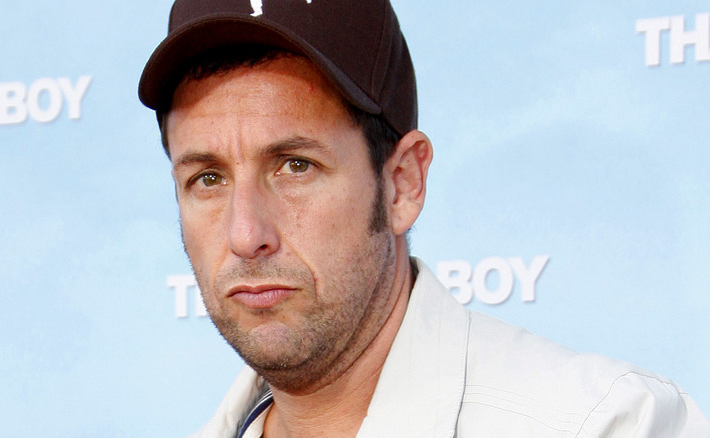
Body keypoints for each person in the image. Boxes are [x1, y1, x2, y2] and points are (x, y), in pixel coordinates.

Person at [138, 1, 710, 436]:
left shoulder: (602, 425)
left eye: (295, 166)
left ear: (402, 184)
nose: (245, 235)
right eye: (207, 178)